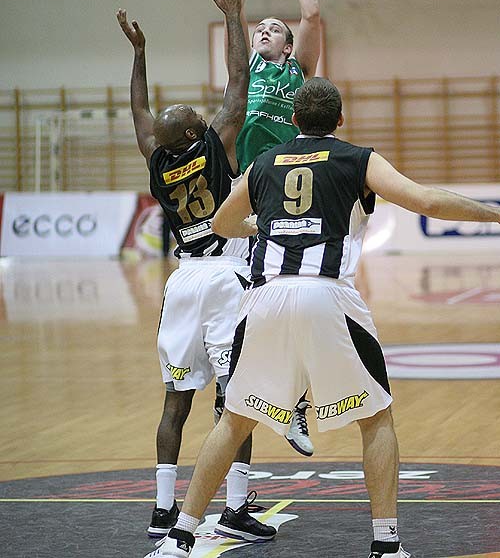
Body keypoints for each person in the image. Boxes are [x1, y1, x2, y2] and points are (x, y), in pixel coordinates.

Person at [151, 77, 500, 558]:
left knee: (233, 421)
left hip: (264, 298)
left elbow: (221, 224)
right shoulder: (357, 159)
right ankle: (386, 544)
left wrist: (261, 226)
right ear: (340, 119)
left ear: (294, 120)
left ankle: (180, 538)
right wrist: (495, 215)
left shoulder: (263, 163)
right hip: (327, 296)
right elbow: (426, 202)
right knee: (376, 419)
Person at [117, 0, 276, 544]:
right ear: (194, 134)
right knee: (236, 399)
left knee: (174, 401)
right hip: (226, 277)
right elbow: (239, 82)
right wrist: (234, 16)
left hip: (182, 282)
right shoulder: (214, 143)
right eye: (194, 118)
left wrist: (140, 54)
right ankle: (233, 507)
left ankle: (163, 509)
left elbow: (139, 112)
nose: (202, 118)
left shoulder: (155, 159)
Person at [228, 0, 321, 456]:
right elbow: (232, 5)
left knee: (298, 310)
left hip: (289, 193)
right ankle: (241, 397)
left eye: (274, 28)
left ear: (288, 46)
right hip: (246, 190)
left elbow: (312, 12)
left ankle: (297, 406)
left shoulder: (296, 70)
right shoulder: (245, 69)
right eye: (259, 27)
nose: (263, 28)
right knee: (250, 312)